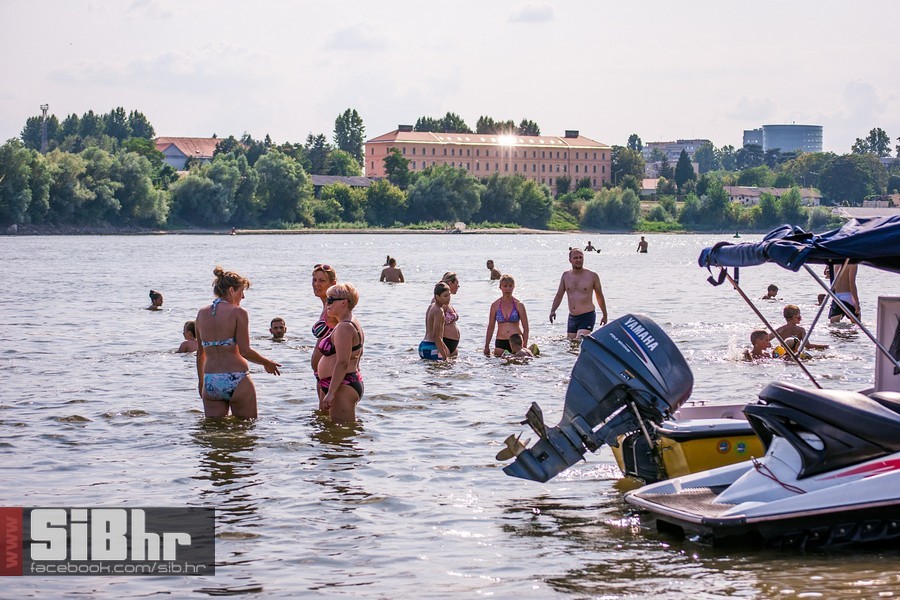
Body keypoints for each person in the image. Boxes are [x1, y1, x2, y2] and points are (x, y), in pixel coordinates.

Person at [195, 267, 281, 419]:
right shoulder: (238, 313)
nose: (243, 297)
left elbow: (200, 353)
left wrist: (201, 382)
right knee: (247, 431)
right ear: (231, 290)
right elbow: (245, 351)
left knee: (214, 435)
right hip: (237, 378)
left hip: (211, 380)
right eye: (242, 292)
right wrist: (267, 363)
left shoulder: (201, 314)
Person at [315, 282, 365, 423]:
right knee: (330, 434)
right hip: (338, 383)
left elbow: (343, 362)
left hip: (342, 386)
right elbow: (357, 354)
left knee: (342, 438)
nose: (327, 304)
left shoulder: (344, 327)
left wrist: (331, 393)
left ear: (343, 302)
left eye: (330, 300)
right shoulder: (348, 323)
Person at [549, 249, 608, 339]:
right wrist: (553, 310)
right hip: (572, 317)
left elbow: (599, 296)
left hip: (587, 316)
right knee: (571, 345)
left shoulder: (592, 276)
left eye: (581, 257)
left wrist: (604, 315)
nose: (578, 260)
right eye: (575, 258)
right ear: (570, 260)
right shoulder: (566, 276)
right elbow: (559, 295)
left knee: (579, 340)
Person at [310, 263, 338, 401]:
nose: (316, 284)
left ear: (333, 283)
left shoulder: (335, 308)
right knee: (322, 418)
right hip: (321, 374)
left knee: (328, 417)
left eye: (322, 281)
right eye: (314, 280)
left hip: (331, 375)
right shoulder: (326, 306)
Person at [484, 274, 529, 356]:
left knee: (519, 365)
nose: (508, 288)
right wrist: (486, 345)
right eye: (505, 286)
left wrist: (525, 345)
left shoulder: (519, 305)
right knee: (502, 366)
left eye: (510, 286)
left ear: (514, 287)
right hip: (501, 341)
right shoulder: (495, 305)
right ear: (500, 287)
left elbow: (526, 327)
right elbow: (491, 326)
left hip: (517, 342)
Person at [420, 282, 452, 361]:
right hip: (432, 347)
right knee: (441, 371)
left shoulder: (431, 306)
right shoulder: (439, 311)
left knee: (430, 371)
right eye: (445, 296)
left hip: (423, 346)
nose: (448, 298)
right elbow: (436, 336)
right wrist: (445, 356)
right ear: (437, 297)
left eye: (449, 295)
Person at [439, 272, 461, 357]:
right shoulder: (438, 300)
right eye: (457, 283)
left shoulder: (448, 301)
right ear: (450, 283)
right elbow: (435, 327)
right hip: (445, 343)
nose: (458, 286)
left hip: (452, 344)